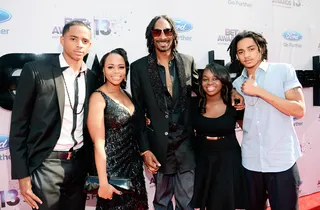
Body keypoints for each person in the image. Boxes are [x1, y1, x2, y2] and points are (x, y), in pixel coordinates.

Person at [9, 20, 98, 210]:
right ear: (62, 39)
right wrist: (22, 176)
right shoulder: (35, 71)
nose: (79, 45)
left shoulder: (92, 78)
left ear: (89, 45)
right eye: (73, 39)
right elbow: (18, 126)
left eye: (84, 41)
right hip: (46, 164)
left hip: (79, 165)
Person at [229, 30, 305, 210]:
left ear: (261, 49)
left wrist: (259, 91)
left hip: (281, 161)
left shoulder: (282, 70)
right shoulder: (237, 83)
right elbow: (244, 120)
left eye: (251, 49)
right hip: (251, 161)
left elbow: (299, 109)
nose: (246, 55)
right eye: (241, 52)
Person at [87, 48, 148, 210]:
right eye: (110, 67)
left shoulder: (127, 95)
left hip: (134, 173)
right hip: (112, 175)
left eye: (121, 67)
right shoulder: (98, 98)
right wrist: (103, 183)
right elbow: (98, 144)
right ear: (103, 70)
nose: (116, 71)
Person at [190, 63, 247, 210]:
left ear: (223, 80)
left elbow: (248, 130)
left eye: (215, 78)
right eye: (205, 79)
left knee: (226, 202)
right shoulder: (194, 104)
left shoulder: (234, 103)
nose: (209, 83)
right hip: (202, 160)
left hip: (228, 160)